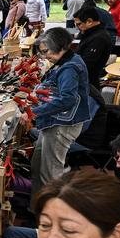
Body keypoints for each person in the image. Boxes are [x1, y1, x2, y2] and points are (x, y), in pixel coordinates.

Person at [31, 28, 90, 195]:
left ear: (60, 47)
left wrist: (35, 112)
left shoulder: (69, 68)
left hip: (62, 125)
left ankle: (52, 211)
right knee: (38, 165)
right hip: (53, 122)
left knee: (50, 174)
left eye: (46, 51)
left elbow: (67, 99)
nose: (44, 56)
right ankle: (37, 205)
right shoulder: (66, 61)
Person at [73, 7, 113, 88]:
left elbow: (86, 64)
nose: (77, 27)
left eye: (79, 24)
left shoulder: (99, 38)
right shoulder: (91, 34)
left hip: (87, 84)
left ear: (89, 22)